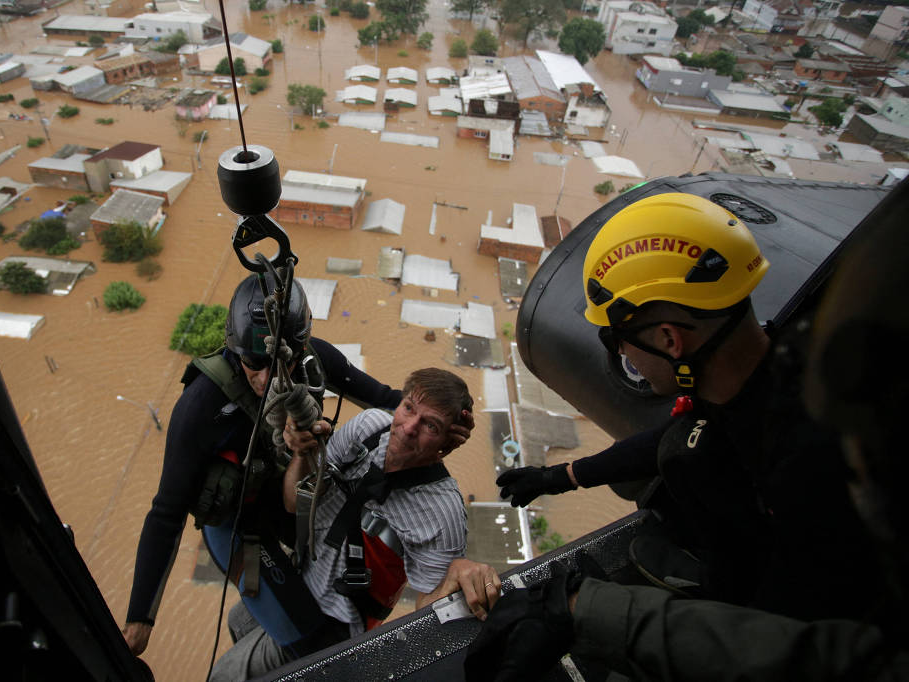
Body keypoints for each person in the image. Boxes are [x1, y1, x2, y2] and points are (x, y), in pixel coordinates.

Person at [464, 187, 909, 681]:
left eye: (619, 342)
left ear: (669, 340)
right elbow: (680, 435)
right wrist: (560, 476)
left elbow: (778, 641)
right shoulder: (769, 373)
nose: (626, 359)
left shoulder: (811, 470)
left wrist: (587, 612)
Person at [122, 275, 472, 658]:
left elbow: (391, 403)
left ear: (301, 345)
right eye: (255, 363)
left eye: (280, 362)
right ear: (233, 348)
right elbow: (166, 512)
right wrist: (141, 618)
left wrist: (448, 425)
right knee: (315, 648)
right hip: (239, 524)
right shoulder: (201, 406)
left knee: (301, 611)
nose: (267, 377)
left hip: (295, 505)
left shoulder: (313, 361)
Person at [211, 367, 500, 680]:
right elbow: (295, 502)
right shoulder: (369, 427)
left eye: (430, 425)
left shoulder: (442, 512)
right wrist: (302, 451)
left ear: (446, 443)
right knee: (239, 621)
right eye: (408, 408)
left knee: (224, 676)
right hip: (301, 575)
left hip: (333, 624)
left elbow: (429, 613)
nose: (408, 428)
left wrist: (455, 576)